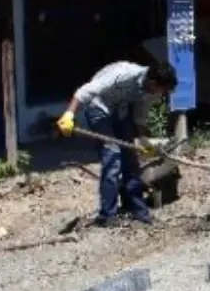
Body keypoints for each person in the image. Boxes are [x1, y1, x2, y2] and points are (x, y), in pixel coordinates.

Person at [57, 61, 178, 227]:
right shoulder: (123, 74)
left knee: (131, 159)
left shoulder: (152, 90)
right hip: (98, 107)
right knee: (112, 155)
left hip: (119, 108)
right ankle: (107, 216)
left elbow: (140, 115)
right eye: (162, 91)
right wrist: (69, 114)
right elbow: (86, 91)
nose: (163, 95)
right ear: (153, 82)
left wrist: (143, 141)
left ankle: (137, 210)